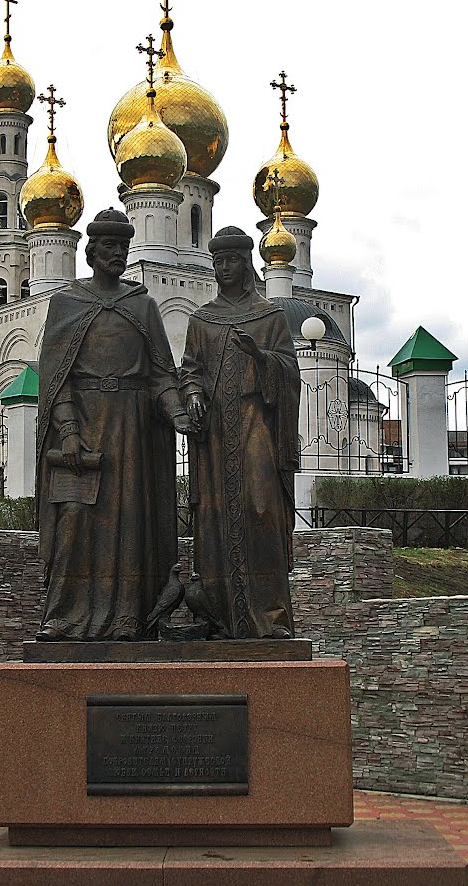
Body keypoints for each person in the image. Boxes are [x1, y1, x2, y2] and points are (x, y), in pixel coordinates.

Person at [36, 207, 196, 641]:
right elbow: (56, 377)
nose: (118, 254)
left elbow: (162, 372)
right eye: (109, 246)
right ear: (90, 251)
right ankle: (65, 616)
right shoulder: (66, 303)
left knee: (130, 522)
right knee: (75, 521)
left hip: (132, 429)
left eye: (123, 246)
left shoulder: (142, 305)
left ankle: (129, 616)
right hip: (83, 429)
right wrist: (67, 430)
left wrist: (177, 412)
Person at [180, 226, 301, 639]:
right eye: (218, 261)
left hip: (256, 424)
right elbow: (190, 370)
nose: (223, 268)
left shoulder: (270, 317)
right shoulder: (202, 319)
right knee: (214, 518)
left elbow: (290, 371)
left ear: (247, 264)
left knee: (261, 508)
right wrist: (193, 394)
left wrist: (261, 357)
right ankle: (220, 618)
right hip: (214, 434)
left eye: (231, 260)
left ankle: (271, 617)